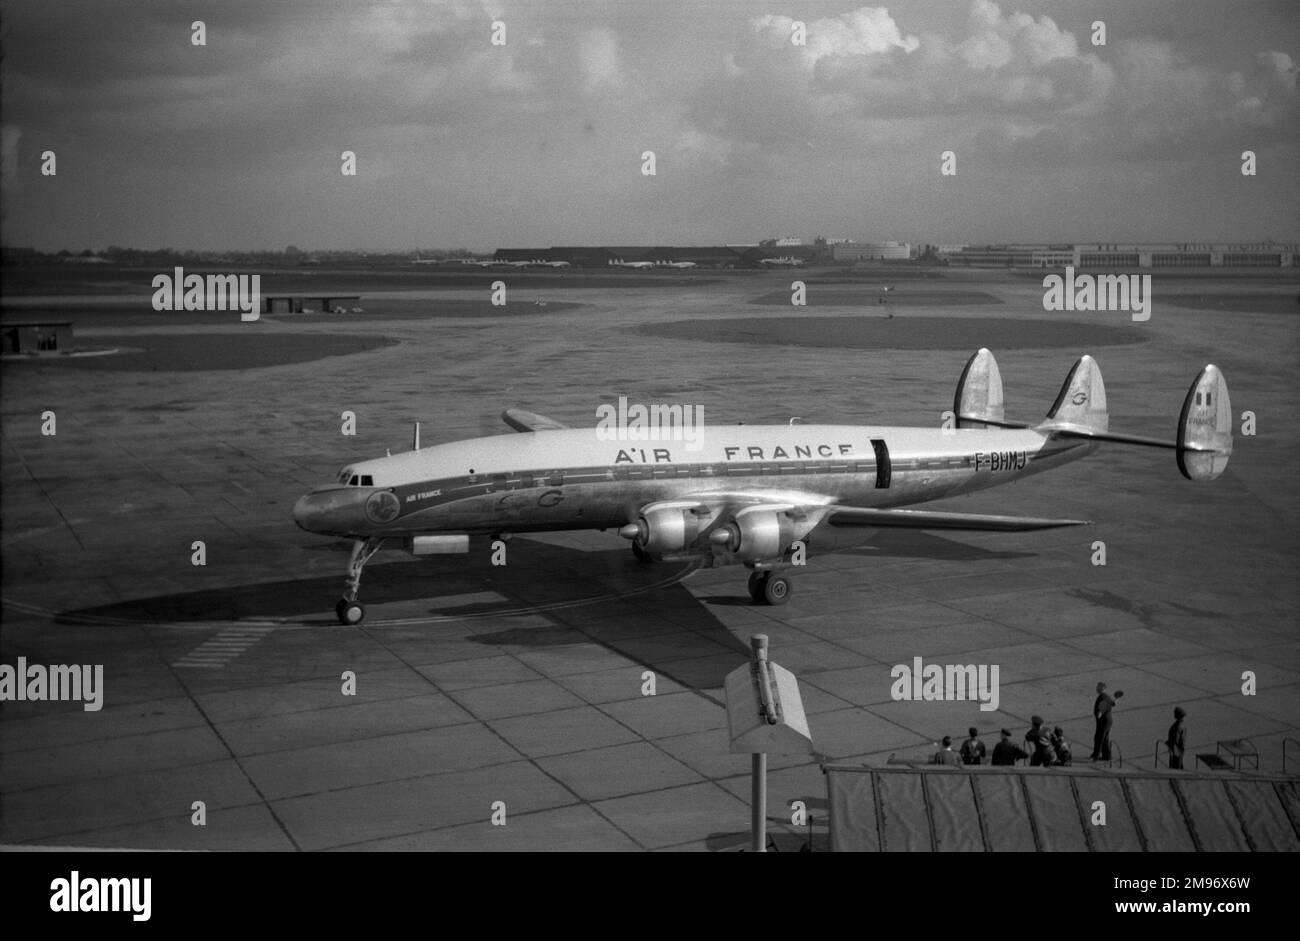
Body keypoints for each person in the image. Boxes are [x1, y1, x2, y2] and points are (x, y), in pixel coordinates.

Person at [1091, 683, 1115, 761]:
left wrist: (1100, 713)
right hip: (1108, 721)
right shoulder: (1107, 696)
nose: (1096, 689)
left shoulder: (1102, 697)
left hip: (1103, 722)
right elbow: (1113, 703)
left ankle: (1096, 757)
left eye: (1098, 687)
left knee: (1099, 738)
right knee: (1105, 739)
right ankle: (1106, 756)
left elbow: (1101, 709)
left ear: (1103, 688)